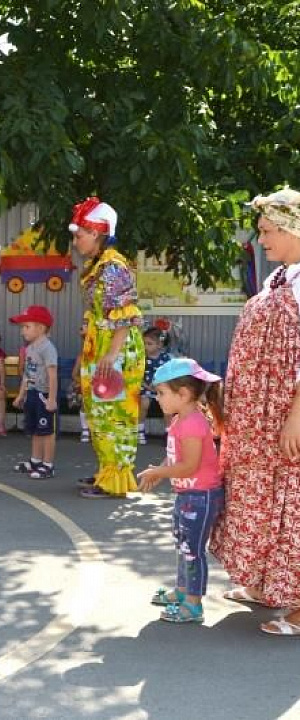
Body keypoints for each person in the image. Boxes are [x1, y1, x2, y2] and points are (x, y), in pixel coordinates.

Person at [210, 187, 300, 636]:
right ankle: (266, 584)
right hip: (257, 414)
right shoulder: (280, 278)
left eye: (267, 231)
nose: (261, 240)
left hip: (284, 413)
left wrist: (295, 415)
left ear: (291, 229)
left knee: (291, 503)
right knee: (260, 497)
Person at [137, 359, 225, 624]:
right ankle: (183, 591)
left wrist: (159, 473)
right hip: (188, 496)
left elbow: (189, 466)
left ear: (183, 394)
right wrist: (160, 469)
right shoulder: (180, 420)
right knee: (183, 545)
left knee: (192, 551)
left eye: (161, 393)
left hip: (200, 497)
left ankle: (193, 606)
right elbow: (175, 458)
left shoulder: (193, 423)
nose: (157, 398)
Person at [72, 197, 145, 498]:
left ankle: (116, 479)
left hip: (114, 351)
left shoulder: (113, 268)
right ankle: (107, 472)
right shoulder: (99, 266)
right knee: (100, 415)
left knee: (115, 415)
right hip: (100, 347)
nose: (75, 241)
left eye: (79, 235)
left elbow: (125, 314)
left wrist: (111, 355)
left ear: (97, 233)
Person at [11, 305, 59, 480]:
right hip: (32, 393)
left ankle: (48, 465)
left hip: (44, 395)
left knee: (47, 431)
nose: (23, 331)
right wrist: (21, 395)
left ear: (41, 327)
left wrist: (52, 399)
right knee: (35, 430)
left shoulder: (47, 348)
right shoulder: (30, 348)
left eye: (26, 326)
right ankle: (35, 460)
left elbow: (52, 375)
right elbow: (27, 374)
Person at [139, 326, 173, 445]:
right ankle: (139, 430)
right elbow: (138, 376)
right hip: (146, 387)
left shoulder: (166, 358)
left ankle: (169, 432)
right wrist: (148, 387)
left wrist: (161, 387)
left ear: (159, 345)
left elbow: (170, 375)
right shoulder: (141, 358)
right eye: (144, 343)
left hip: (162, 388)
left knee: (167, 407)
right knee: (144, 403)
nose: (145, 346)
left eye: (149, 344)